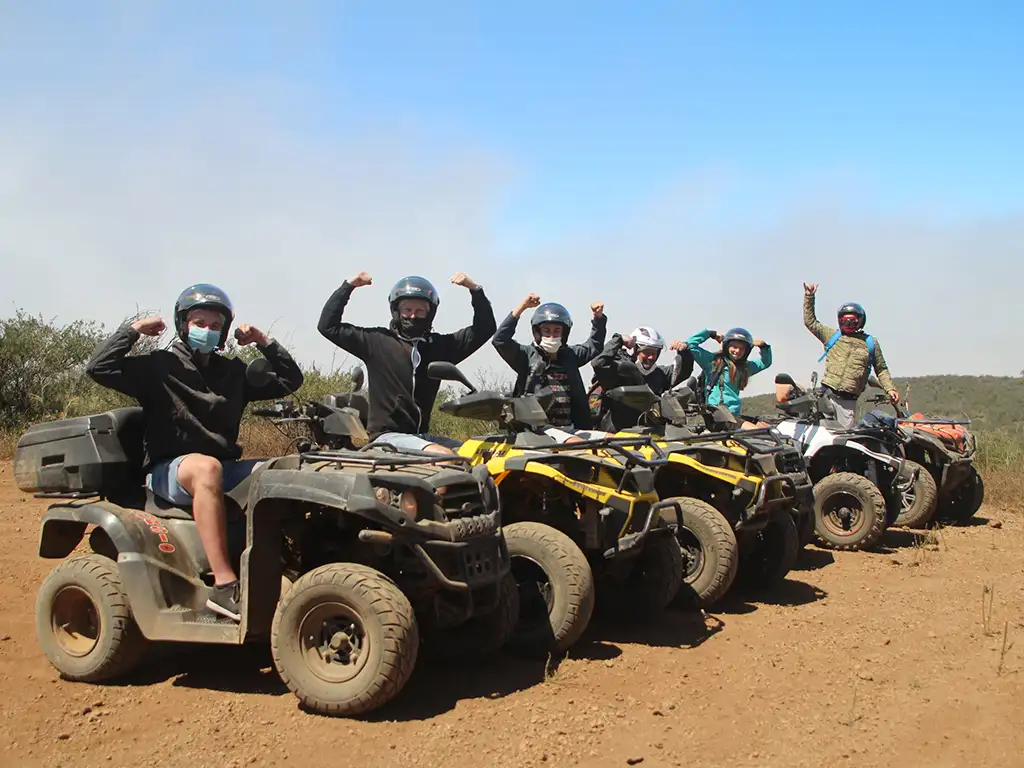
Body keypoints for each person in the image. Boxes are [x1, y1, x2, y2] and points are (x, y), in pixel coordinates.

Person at [86, 283, 304, 621]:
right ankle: (224, 585)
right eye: (199, 323)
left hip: (224, 467)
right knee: (206, 469)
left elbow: (291, 380)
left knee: (290, 468)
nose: (207, 331)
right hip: (168, 472)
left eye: (215, 326)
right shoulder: (159, 366)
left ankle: (294, 565)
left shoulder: (233, 373)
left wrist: (264, 341)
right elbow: (98, 368)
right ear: (183, 325)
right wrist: (133, 331)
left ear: (224, 332)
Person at [317, 271, 495, 453]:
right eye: (407, 310)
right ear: (397, 311)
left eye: (419, 311)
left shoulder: (439, 347)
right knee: (444, 455)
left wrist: (474, 289)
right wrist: (349, 286)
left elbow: (485, 328)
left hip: (422, 436)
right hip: (386, 438)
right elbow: (328, 326)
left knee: (478, 454)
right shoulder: (376, 341)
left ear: (430, 313)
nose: (412, 316)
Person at [492, 293, 607, 443]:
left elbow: (594, 345)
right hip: (540, 431)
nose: (551, 336)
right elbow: (500, 340)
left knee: (612, 441)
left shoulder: (570, 355)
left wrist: (598, 318)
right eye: (546, 331)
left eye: (556, 331)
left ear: (564, 333)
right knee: (576, 444)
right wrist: (522, 307)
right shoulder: (526, 356)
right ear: (537, 332)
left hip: (571, 428)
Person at [802, 282, 899, 428]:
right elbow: (810, 322)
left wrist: (890, 388)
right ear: (840, 320)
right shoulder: (832, 335)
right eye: (845, 320)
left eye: (852, 321)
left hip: (848, 401)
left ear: (860, 321)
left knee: (844, 439)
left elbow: (881, 368)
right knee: (819, 434)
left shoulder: (870, 343)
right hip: (826, 394)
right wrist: (809, 297)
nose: (848, 323)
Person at [590, 326, 695, 431]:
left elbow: (683, 372)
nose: (651, 357)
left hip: (650, 435)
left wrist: (685, 352)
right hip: (616, 436)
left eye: (655, 352)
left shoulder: (660, 374)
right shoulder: (621, 370)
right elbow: (599, 363)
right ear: (636, 350)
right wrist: (618, 340)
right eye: (647, 352)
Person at [681, 327, 772, 426]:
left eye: (741, 348)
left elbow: (765, 362)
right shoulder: (713, 362)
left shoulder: (744, 368)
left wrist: (764, 347)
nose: (737, 351)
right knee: (755, 430)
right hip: (717, 416)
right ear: (726, 346)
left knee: (767, 428)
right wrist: (710, 333)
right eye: (734, 347)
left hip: (733, 415)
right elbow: (690, 345)